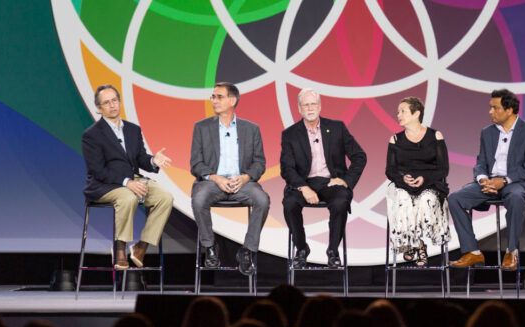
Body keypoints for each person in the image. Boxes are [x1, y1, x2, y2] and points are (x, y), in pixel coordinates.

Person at [82, 84, 174, 270]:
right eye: (106, 103)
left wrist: (153, 161)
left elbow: (140, 158)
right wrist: (126, 183)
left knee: (165, 198)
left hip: (133, 180)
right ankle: (119, 248)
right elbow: (98, 170)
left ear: (120, 102)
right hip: (104, 186)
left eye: (115, 100)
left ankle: (141, 246)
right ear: (99, 109)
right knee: (128, 197)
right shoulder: (91, 135)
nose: (112, 105)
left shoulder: (133, 129)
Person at [448, 89, 525, 270]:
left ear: (509, 110)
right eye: (490, 107)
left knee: (515, 197)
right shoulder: (487, 132)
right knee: (455, 198)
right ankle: (472, 252)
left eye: (495, 108)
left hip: (516, 183)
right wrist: (483, 180)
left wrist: (504, 181)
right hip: (490, 182)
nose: (490, 112)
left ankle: (511, 251)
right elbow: (481, 162)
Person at [190, 81, 270, 276]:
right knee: (199, 200)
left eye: (219, 97)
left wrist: (245, 178)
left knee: (262, 200)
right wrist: (216, 178)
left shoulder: (251, 129)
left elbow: (260, 163)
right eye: (213, 97)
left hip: (241, 183)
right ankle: (209, 247)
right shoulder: (201, 127)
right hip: (212, 183)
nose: (214, 101)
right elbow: (196, 164)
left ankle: (247, 251)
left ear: (232, 100)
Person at [280, 88, 367, 268]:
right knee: (289, 204)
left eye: (313, 104)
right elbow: (286, 168)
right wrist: (304, 188)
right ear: (299, 108)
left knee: (341, 201)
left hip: (331, 182)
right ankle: (302, 249)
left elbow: (359, 156)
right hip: (304, 182)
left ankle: (333, 251)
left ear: (319, 106)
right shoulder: (290, 134)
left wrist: (346, 181)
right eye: (306, 105)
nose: (310, 108)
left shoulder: (337, 128)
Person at [384, 96, 450, 266]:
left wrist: (424, 178)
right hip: (404, 185)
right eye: (398, 112)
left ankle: (413, 244)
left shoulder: (435, 136)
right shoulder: (395, 140)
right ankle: (418, 245)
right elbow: (390, 170)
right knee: (403, 200)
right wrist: (402, 178)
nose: (398, 115)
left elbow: (443, 169)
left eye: (403, 111)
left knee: (426, 201)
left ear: (416, 113)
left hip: (430, 184)